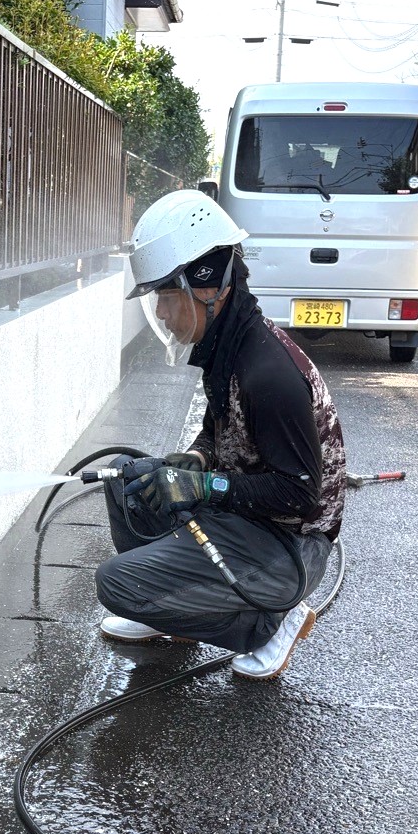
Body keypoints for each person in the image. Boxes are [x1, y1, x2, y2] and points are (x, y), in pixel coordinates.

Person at [95, 190, 347, 681]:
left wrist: (206, 487)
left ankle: (273, 622)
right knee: (128, 483)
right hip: (251, 520)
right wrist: (196, 458)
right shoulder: (227, 344)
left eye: (167, 296)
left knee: (116, 584)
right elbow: (219, 427)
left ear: (207, 285)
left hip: (291, 544)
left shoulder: (266, 371)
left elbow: (298, 493)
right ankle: (176, 611)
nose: (163, 314)